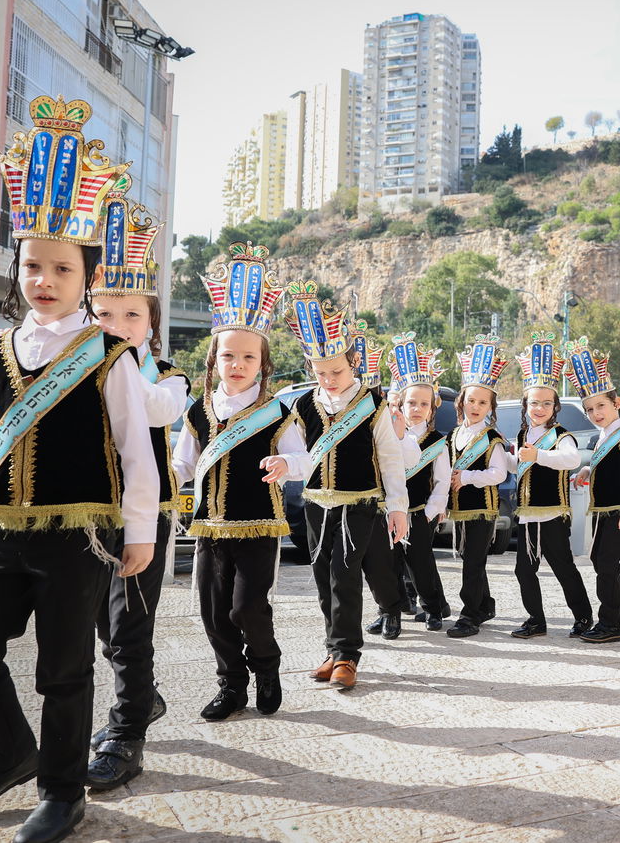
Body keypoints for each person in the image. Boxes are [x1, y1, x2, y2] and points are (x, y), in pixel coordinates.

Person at [0, 95, 159, 843]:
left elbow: (135, 448)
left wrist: (141, 530)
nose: (44, 278)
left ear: (86, 275)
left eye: (62, 267)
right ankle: (10, 752)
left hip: (79, 537)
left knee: (65, 671)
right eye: (32, 264)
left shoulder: (108, 354)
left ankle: (63, 791)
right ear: (18, 267)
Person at [85, 185, 190, 790]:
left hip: (144, 517)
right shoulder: (73, 364)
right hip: (85, 512)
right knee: (100, 622)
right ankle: (144, 700)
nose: (119, 325)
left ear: (152, 322)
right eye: (105, 313)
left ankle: (127, 733)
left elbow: (152, 411)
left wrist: (112, 369)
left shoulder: (168, 378)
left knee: (130, 626)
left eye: (132, 314)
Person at [174, 244, 301, 719]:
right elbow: (183, 465)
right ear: (214, 360)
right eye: (229, 355)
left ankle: (266, 667)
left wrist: (288, 467)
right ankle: (231, 685)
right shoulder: (197, 411)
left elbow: (302, 457)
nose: (238, 364)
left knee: (247, 608)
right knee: (212, 614)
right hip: (208, 526)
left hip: (259, 523)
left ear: (263, 363)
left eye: (248, 356)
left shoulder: (276, 412)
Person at [271, 286, 408, 688]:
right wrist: (283, 464)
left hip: (358, 504)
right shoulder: (302, 406)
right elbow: (299, 456)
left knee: (344, 575)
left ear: (353, 364)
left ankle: (348, 655)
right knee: (321, 577)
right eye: (320, 373)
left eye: (338, 371)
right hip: (315, 504)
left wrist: (397, 507)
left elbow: (390, 458)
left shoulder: (373, 403)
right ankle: (333, 649)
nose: (329, 380)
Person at [509, 332, 592, 638]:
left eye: (546, 403)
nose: (540, 408)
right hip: (527, 516)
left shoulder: (561, 435)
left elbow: (570, 460)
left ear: (555, 406)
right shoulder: (521, 436)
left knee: (564, 569)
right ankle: (535, 620)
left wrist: (539, 454)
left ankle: (583, 618)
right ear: (526, 404)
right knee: (524, 571)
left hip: (553, 516)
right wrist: (503, 459)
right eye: (534, 403)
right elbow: (519, 465)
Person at [567, 337, 620, 644]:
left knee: (606, 566)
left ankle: (610, 623)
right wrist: (587, 470)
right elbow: (606, 467)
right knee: (601, 562)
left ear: (616, 403)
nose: (595, 413)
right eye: (589, 409)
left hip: (618, 514)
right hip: (601, 513)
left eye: (601, 405)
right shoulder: (603, 437)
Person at [444, 335, 510, 639]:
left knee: (472, 562)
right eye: (471, 400)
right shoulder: (454, 434)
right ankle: (485, 604)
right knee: (470, 558)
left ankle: (469, 616)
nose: (475, 406)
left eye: (483, 402)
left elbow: (498, 474)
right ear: (462, 400)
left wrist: (467, 478)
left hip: (482, 508)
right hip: (460, 508)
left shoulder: (492, 438)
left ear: (490, 407)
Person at [349, 321, 410, 641]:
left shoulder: (383, 413)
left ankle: (392, 611)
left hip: (381, 500)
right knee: (353, 565)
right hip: (349, 498)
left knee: (381, 562)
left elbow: (396, 458)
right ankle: (379, 610)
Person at [387, 333, 452, 631]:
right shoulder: (388, 433)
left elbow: (442, 480)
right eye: (411, 402)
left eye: (423, 404)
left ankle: (433, 609)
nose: (417, 408)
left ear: (432, 407)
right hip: (390, 509)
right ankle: (394, 611)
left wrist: (433, 510)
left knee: (421, 565)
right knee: (389, 564)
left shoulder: (438, 441)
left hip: (420, 510)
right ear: (401, 402)